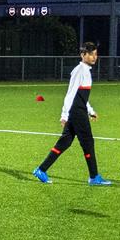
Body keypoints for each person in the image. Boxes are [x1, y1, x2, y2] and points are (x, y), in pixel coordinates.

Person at [32, 42, 106, 185]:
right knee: (88, 143)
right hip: (76, 112)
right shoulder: (79, 71)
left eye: (95, 54)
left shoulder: (85, 71)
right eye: (91, 54)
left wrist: (90, 110)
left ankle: (41, 170)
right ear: (83, 55)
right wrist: (64, 115)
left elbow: (81, 97)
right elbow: (70, 95)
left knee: (65, 142)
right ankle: (94, 177)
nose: (94, 57)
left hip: (79, 110)